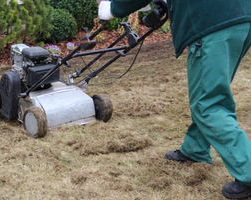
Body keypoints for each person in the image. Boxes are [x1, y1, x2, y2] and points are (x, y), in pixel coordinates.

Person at [98, 0, 251, 199]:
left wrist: (113, 9)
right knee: (208, 92)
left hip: (214, 22)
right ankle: (195, 149)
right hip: (240, 16)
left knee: (208, 105)